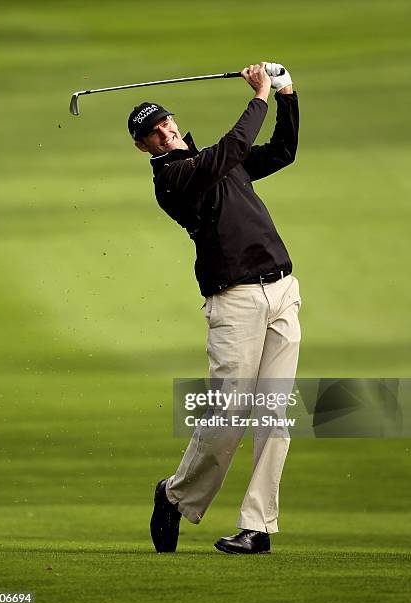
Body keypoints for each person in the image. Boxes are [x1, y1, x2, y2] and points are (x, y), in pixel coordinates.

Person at [128, 61, 301, 554]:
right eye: (153, 134)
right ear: (143, 148)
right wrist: (260, 94)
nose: (165, 132)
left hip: (283, 291)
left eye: (165, 123)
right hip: (235, 303)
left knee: (273, 415)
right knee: (227, 414)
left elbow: (283, 150)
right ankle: (175, 495)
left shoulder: (218, 160)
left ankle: (258, 527)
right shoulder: (175, 179)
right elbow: (236, 146)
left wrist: (287, 95)